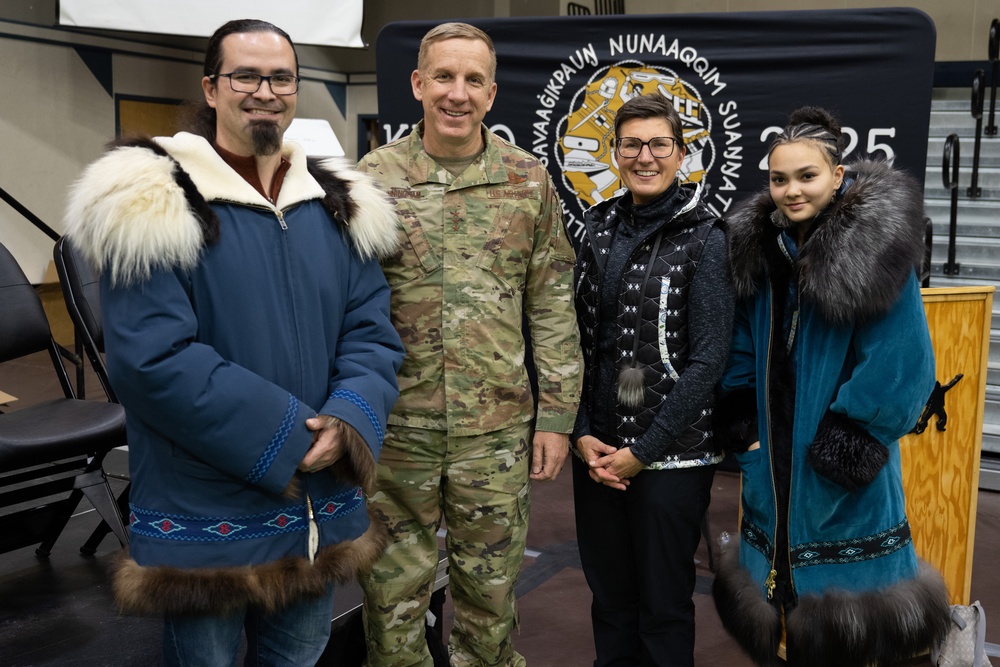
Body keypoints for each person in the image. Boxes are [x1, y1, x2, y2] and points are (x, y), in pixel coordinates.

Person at [65, 19, 405, 666]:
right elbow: (153, 359)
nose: (264, 91)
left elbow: (371, 330)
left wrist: (349, 418)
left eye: (281, 77)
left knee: (300, 655)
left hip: (317, 509)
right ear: (211, 87)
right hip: (206, 510)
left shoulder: (336, 203)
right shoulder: (151, 197)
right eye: (245, 75)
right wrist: (293, 437)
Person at [356, 21, 582, 667]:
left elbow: (550, 302)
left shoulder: (525, 180)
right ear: (418, 83)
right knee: (391, 596)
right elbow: (346, 304)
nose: (458, 93)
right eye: (445, 77)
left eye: (473, 79)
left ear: (491, 92)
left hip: (496, 430)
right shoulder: (374, 179)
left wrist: (558, 415)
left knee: (490, 594)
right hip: (398, 426)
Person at [712, 106, 951, 667]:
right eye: (778, 179)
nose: (791, 190)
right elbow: (741, 353)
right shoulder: (762, 255)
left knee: (855, 637)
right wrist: (747, 438)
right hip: (770, 476)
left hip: (843, 483)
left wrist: (841, 456)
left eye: (806, 176)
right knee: (786, 627)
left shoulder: (873, 254)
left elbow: (902, 369)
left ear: (837, 176)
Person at [570, 93, 735, 666]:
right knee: (610, 601)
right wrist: (583, 433)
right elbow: (580, 345)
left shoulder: (707, 237)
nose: (645, 156)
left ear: (681, 153)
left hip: (672, 458)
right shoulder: (596, 227)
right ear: (615, 153)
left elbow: (709, 360)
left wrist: (644, 450)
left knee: (664, 608)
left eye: (658, 144)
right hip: (598, 453)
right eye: (632, 144)